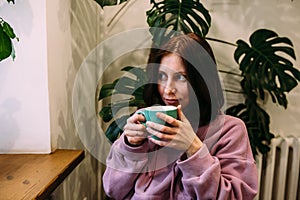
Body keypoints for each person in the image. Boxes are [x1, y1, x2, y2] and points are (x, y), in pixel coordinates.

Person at [103, 33, 258, 199]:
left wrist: (193, 148)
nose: (168, 89)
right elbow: (113, 189)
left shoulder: (230, 130)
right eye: (162, 76)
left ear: (201, 80)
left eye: (180, 77)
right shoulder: (146, 122)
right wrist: (131, 145)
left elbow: (235, 196)